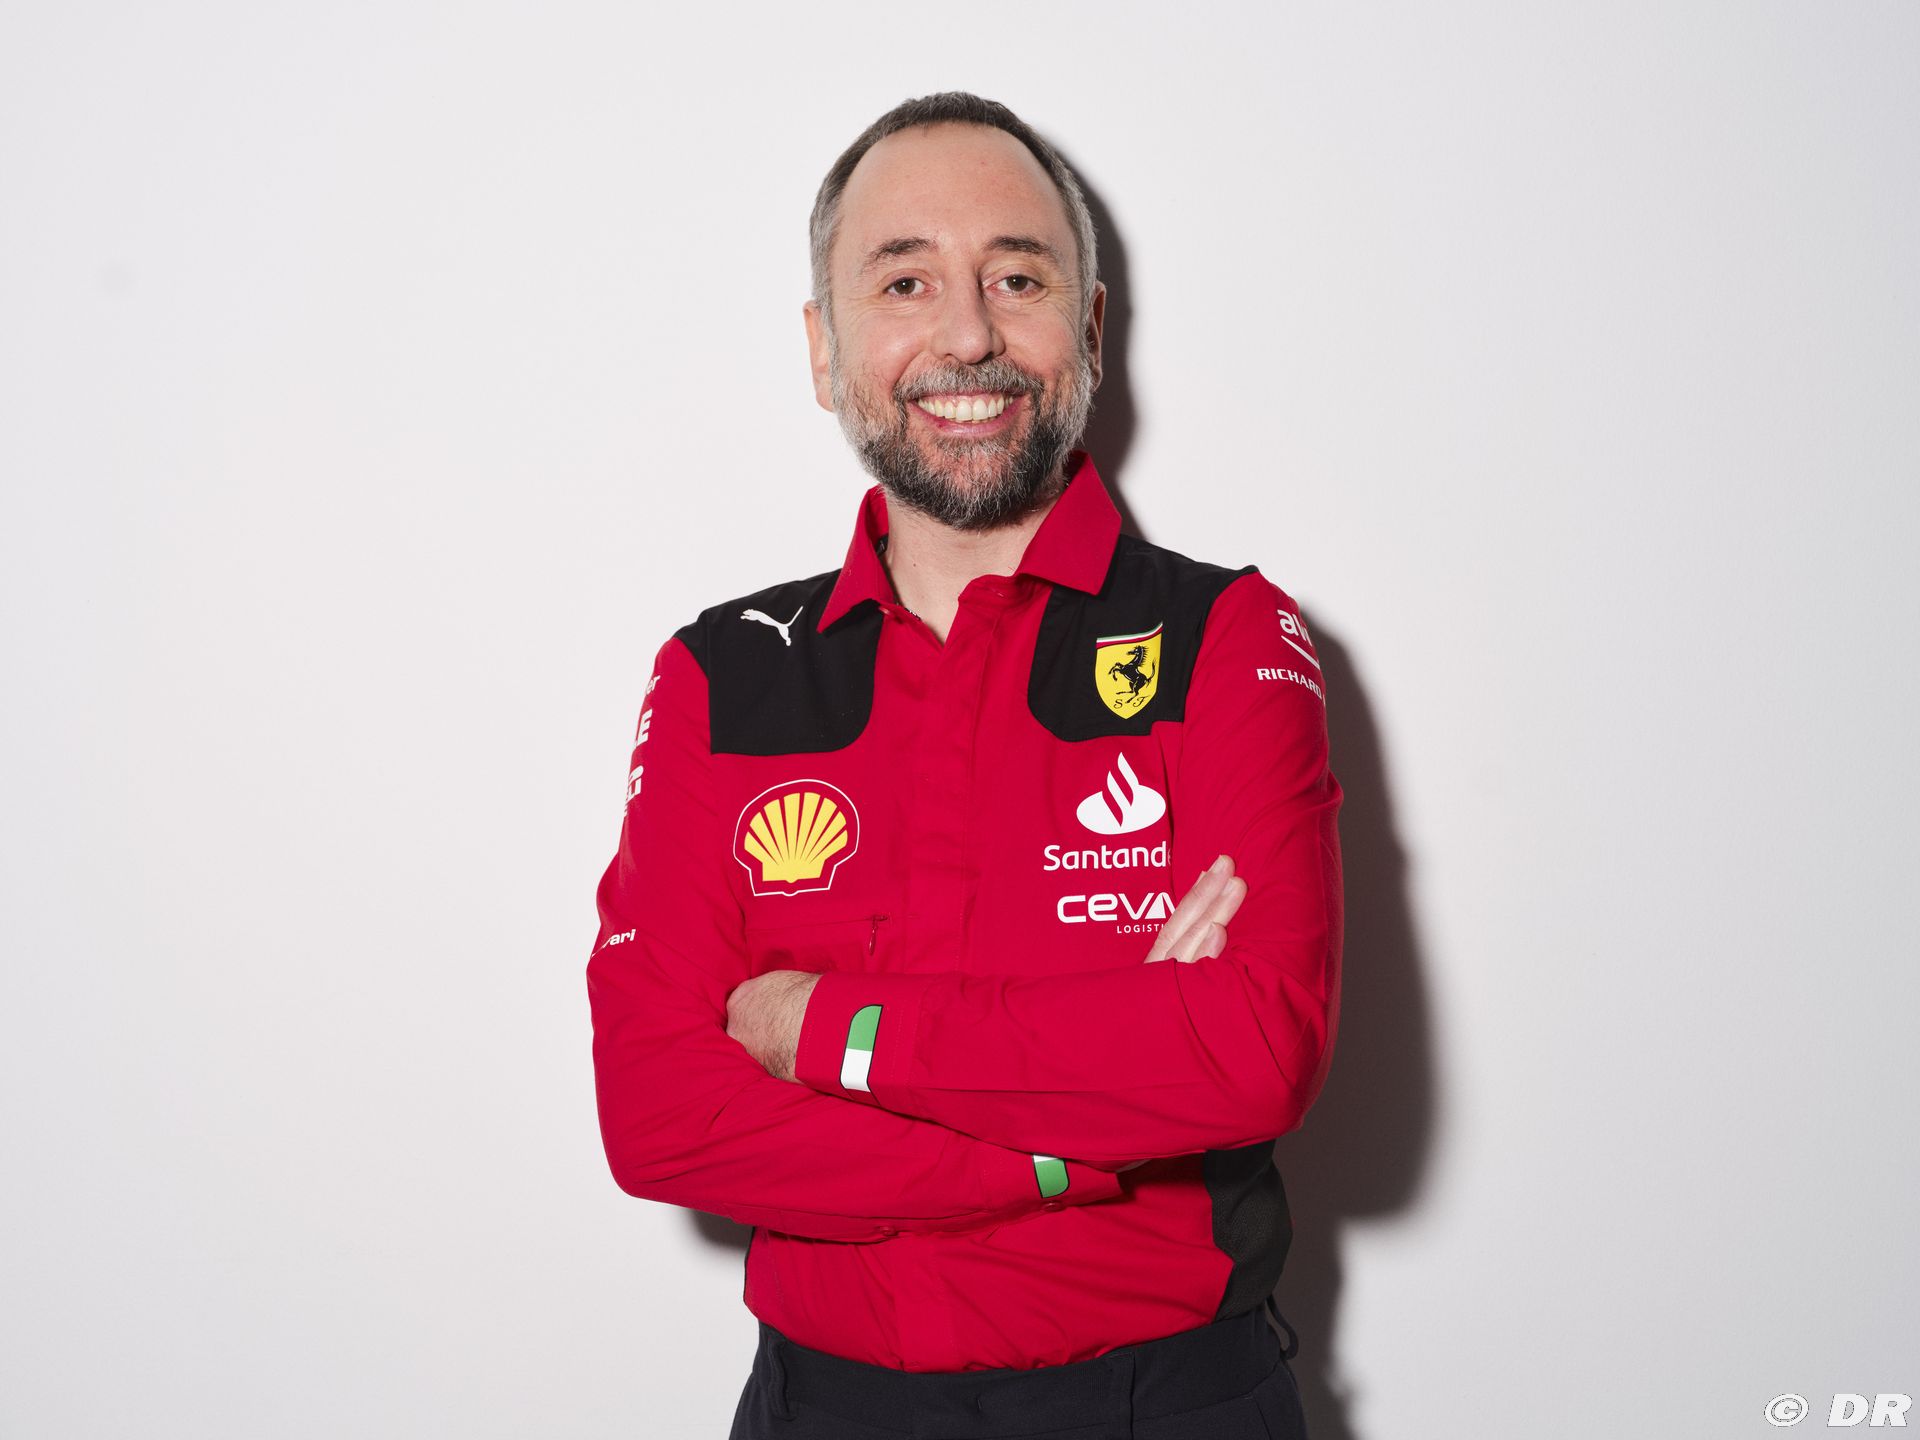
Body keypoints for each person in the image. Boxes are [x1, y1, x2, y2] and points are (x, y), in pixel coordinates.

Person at [586, 91, 1343, 1440]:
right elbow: (662, 1120)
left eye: (1018, 277)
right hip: (822, 1410)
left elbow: (1251, 1051)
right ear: (824, 352)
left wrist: (822, 1031)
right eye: (905, 281)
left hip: (1169, 1404)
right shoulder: (722, 678)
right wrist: (1080, 1137)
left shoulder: (1224, 637)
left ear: (1089, 332)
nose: (970, 335)